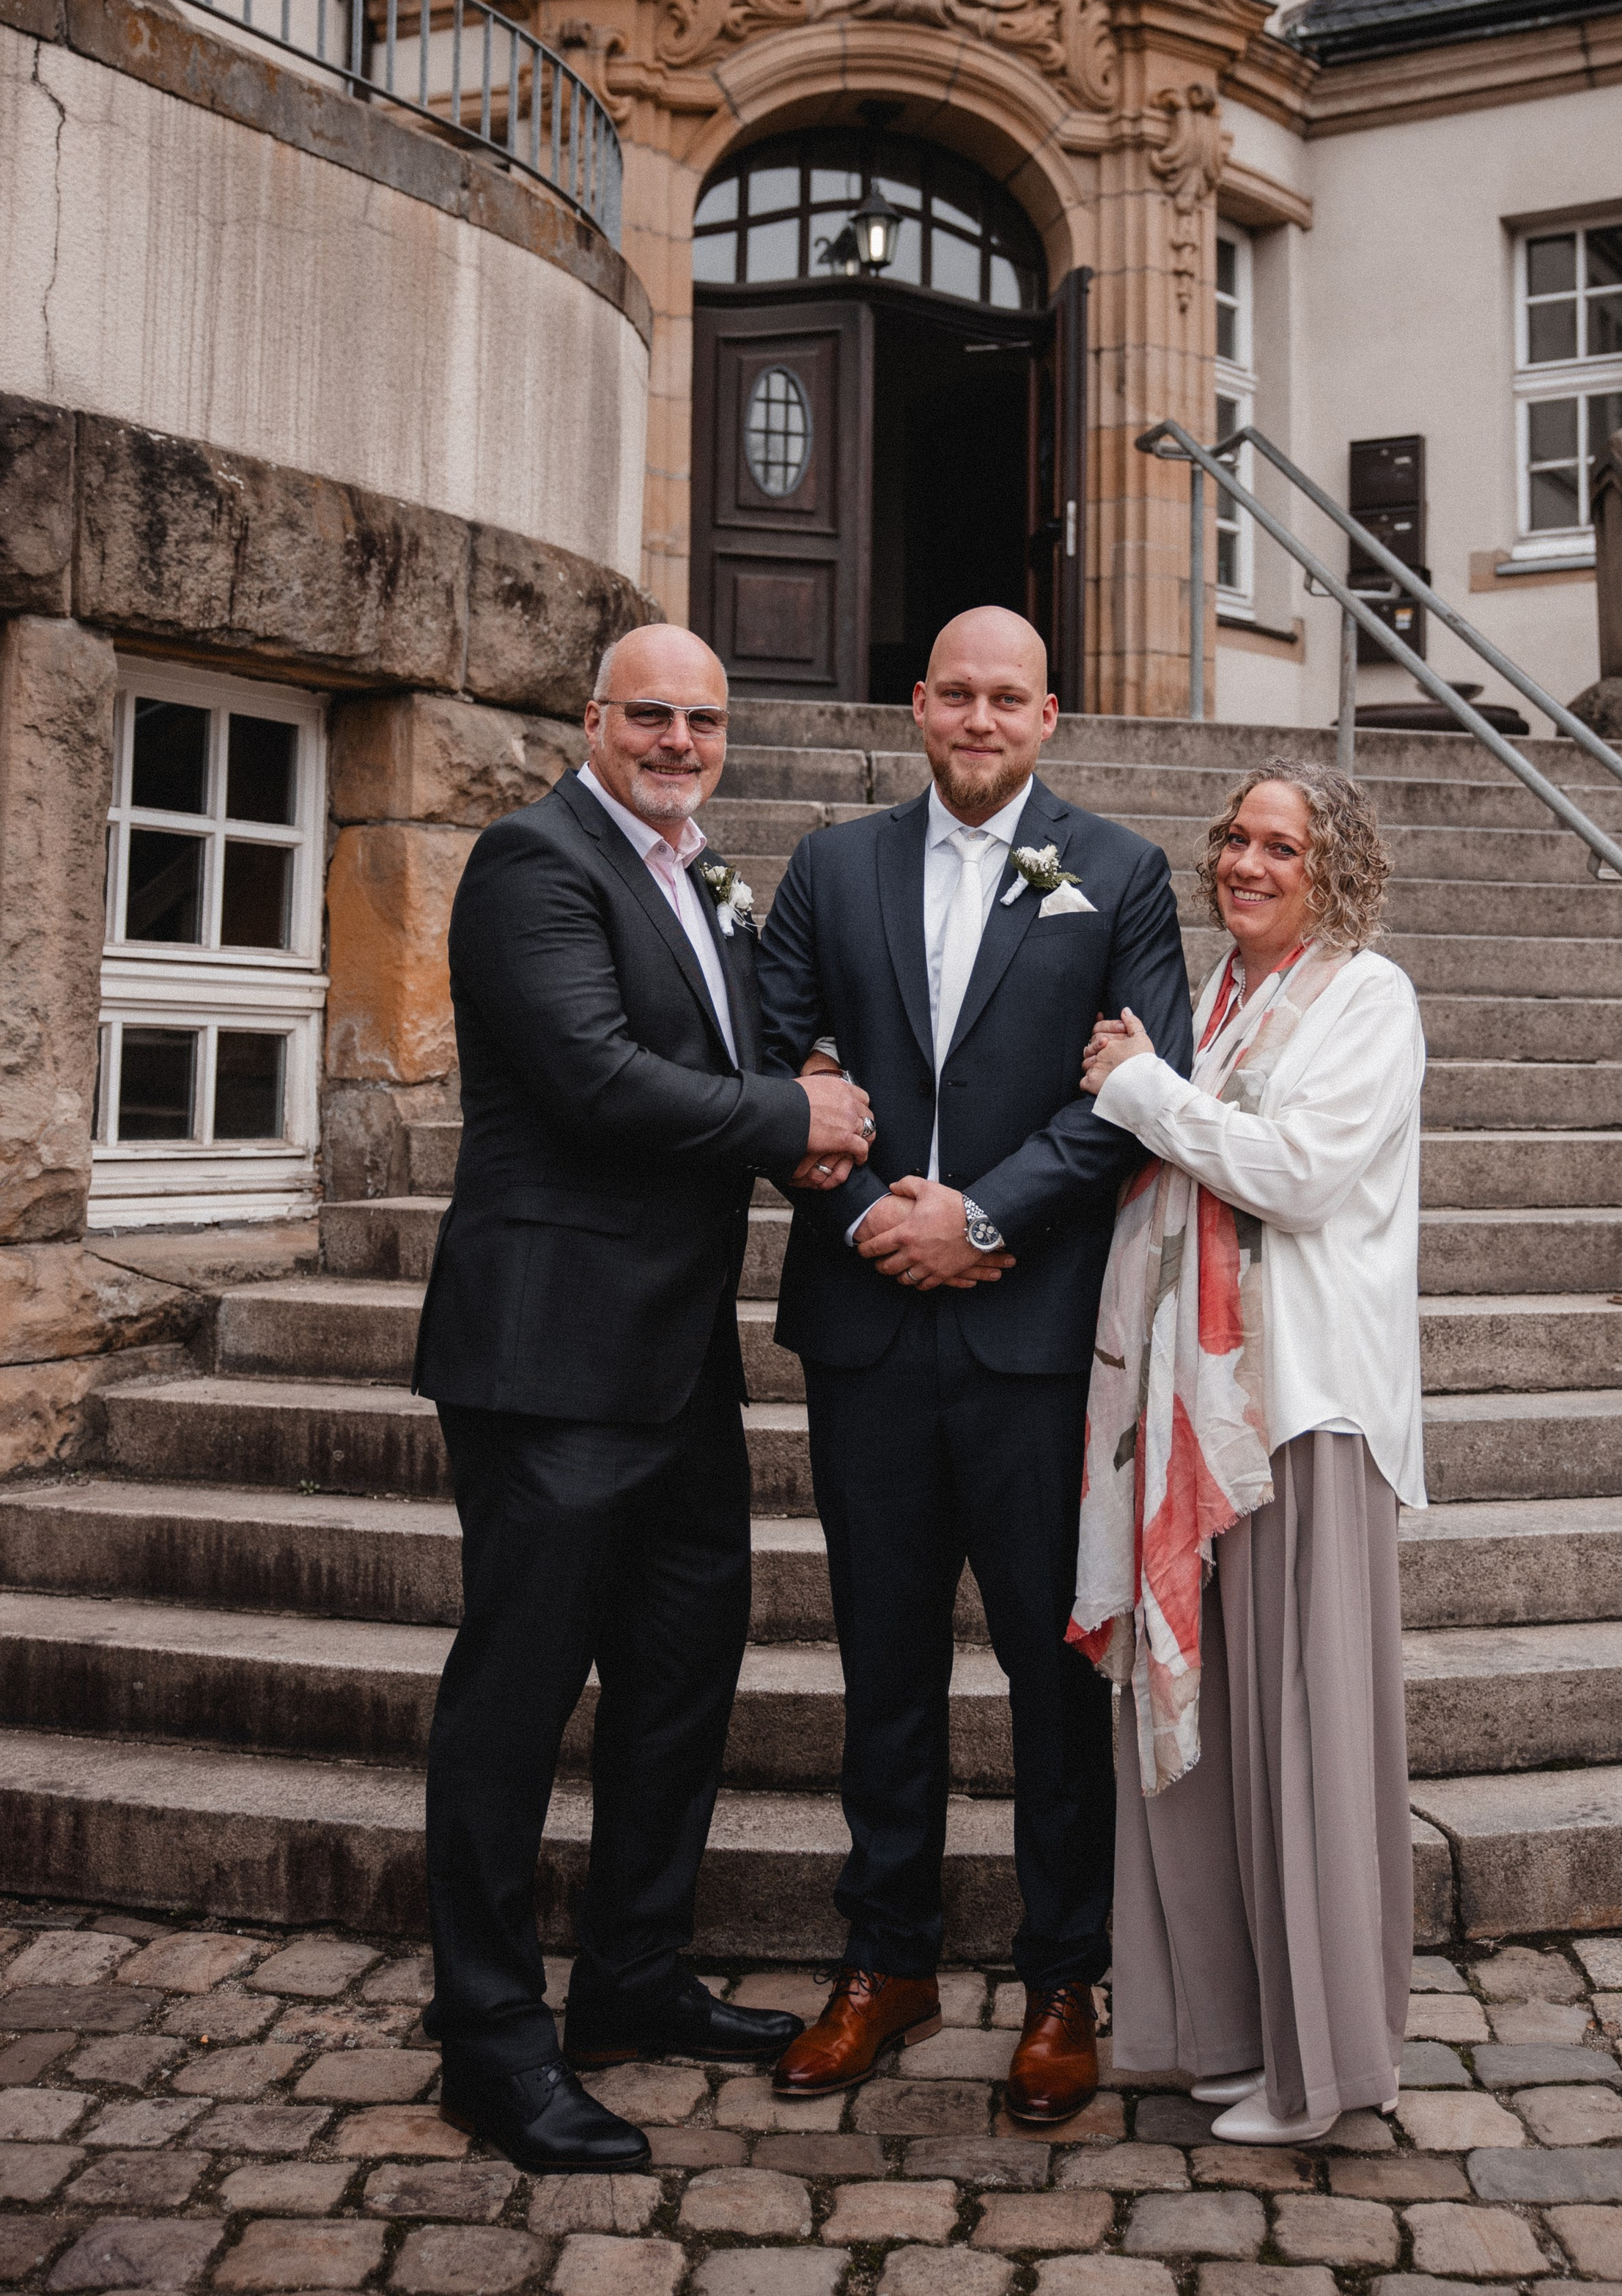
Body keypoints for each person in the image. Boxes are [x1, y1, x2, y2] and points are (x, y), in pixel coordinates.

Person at [413, 624, 877, 2173]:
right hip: (546, 1361)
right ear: (591, 719)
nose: (678, 742)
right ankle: (487, 2043)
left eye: (703, 720)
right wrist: (784, 1111)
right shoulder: (530, 863)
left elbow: (735, 1063)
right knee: (514, 1702)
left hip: (675, 1367)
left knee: (683, 1675)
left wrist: (820, 1118)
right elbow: (595, 1078)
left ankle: (629, 1980)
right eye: (651, 716)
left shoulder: (699, 874)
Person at [756, 607, 1193, 2126]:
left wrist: (987, 1218)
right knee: (882, 1662)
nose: (980, 717)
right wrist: (878, 1213)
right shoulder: (829, 866)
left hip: (1028, 1338)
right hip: (867, 1321)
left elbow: (1143, 1089)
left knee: (1045, 1672)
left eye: (1008, 696)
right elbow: (773, 1057)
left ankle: (1061, 1977)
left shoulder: (1120, 873)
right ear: (919, 705)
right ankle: (887, 1960)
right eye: (955, 692)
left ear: (1049, 716)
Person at [1070, 758, 1423, 2146]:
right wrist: (1164, 1085)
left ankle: (1326, 2061)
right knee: (1206, 1737)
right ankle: (1223, 2031)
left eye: (1281, 845)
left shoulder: (1367, 996)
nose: (1247, 864)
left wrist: (1146, 1093)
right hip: (1197, 1406)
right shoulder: (1220, 999)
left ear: (1334, 869)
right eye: (1234, 839)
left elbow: (1300, 1172)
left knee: (1305, 1734)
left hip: (1302, 1413)